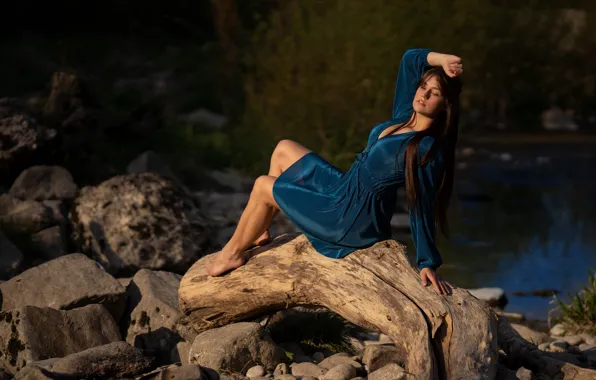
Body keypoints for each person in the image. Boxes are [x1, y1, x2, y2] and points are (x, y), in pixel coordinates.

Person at [206, 48, 463, 296]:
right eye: (423, 87)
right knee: (284, 148)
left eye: (435, 93)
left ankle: (232, 254)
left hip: (351, 220)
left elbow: (422, 205)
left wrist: (427, 262)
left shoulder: (426, 148)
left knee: (264, 185)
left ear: (445, 106)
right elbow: (411, 58)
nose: (424, 95)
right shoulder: (404, 116)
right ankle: (261, 229)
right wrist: (442, 60)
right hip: (343, 190)